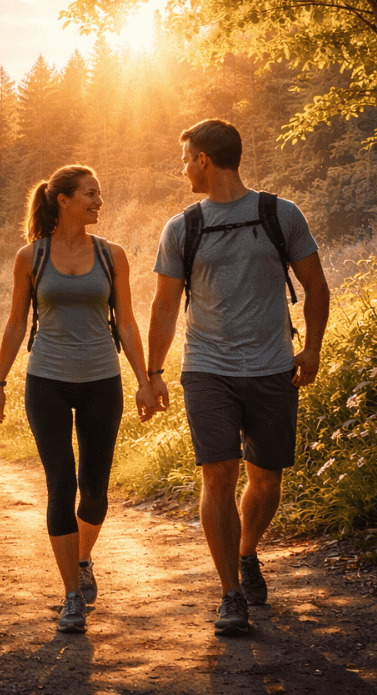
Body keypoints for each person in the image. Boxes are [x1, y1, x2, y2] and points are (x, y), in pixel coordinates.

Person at [141, 119, 329, 637]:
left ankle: (247, 552)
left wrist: (312, 349)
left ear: (203, 159)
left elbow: (315, 285)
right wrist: (153, 373)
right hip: (208, 370)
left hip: (272, 366)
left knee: (266, 481)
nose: (183, 169)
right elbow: (164, 306)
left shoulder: (280, 214)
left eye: (186, 159)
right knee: (218, 475)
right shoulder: (182, 227)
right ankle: (230, 594)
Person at [0, 165, 154, 635]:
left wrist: (144, 380)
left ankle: (82, 559)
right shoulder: (31, 256)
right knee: (60, 483)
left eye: (99, 194)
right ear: (63, 200)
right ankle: (71, 596)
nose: (99, 202)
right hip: (48, 382)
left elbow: (126, 322)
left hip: (102, 380)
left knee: (94, 490)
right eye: (90, 194)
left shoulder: (112, 255)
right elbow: (16, 323)